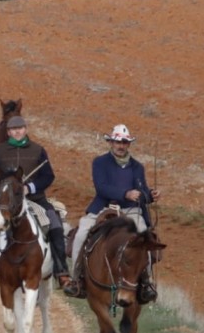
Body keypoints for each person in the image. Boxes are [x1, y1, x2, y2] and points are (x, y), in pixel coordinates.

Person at [0, 115, 72, 292]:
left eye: (20, 128)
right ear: (8, 132)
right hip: (7, 200)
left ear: (25, 129)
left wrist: (31, 187)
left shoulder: (38, 150)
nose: (17, 132)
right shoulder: (0, 151)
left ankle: (62, 273)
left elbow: (48, 176)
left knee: (56, 226)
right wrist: (1, 190)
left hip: (34, 199)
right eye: (13, 130)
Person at [63, 123, 160, 302]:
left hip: (130, 210)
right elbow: (101, 188)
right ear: (111, 143)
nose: (120, 146)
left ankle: (146, 282)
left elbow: (142, 192)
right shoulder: (99, 162)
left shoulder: (138, 167)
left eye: (124, 142)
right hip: (103, 206)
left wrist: (150, 195)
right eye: (117, 142)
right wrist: (125, 193)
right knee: (82, 232)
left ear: (128, 144)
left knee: (143, 236)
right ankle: (76, 279)